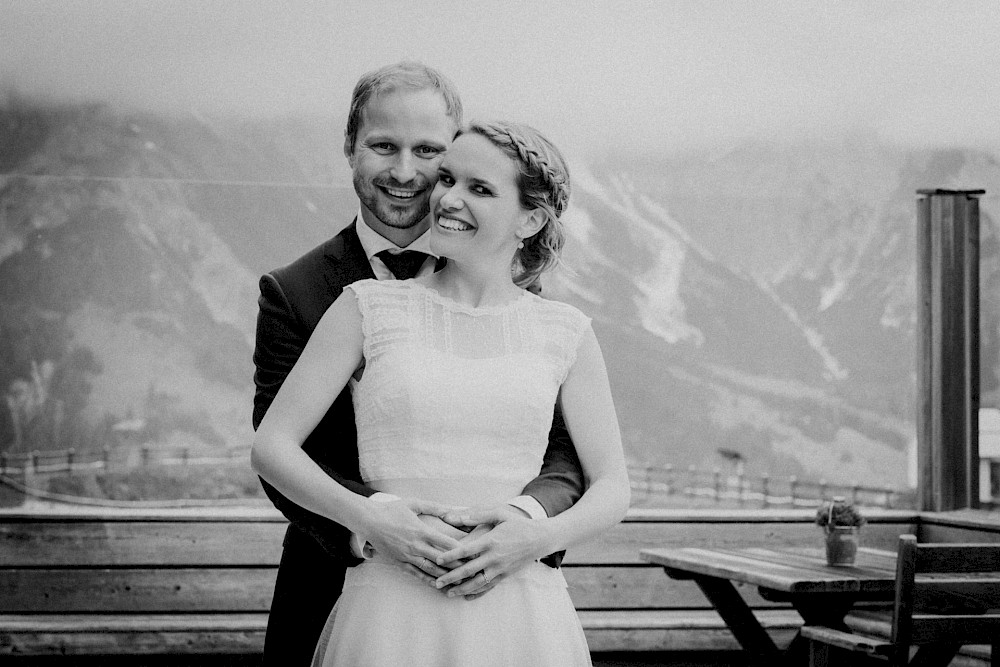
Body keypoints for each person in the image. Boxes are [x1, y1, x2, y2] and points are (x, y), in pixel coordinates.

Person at [252, 119, 631, 665]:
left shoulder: (565, 331)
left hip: (519, 608)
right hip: (389, 607)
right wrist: (370, 516)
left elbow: (612, 486)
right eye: (448, 180)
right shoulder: (368, 306)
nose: (449, 199)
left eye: (479, 189)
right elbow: (271, 447)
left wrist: (535, 537)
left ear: (530, 218)